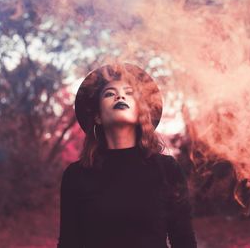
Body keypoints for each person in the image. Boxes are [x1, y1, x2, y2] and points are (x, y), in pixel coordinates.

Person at [57, 63, 197, 248]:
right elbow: (68, 243)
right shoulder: (76, 175)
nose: (120, 96)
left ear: (140, 113)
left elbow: (184, 241)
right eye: (109, 93)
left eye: (129, 93)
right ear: (98, 116)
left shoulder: (167, 169)